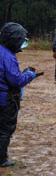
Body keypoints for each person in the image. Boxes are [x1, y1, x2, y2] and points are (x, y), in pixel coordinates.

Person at [0, 22, 37, 167]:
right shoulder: (8, 56)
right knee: (5, 129)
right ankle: (1, 159)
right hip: (5, 100)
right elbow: (16, 80)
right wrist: (30, 74)